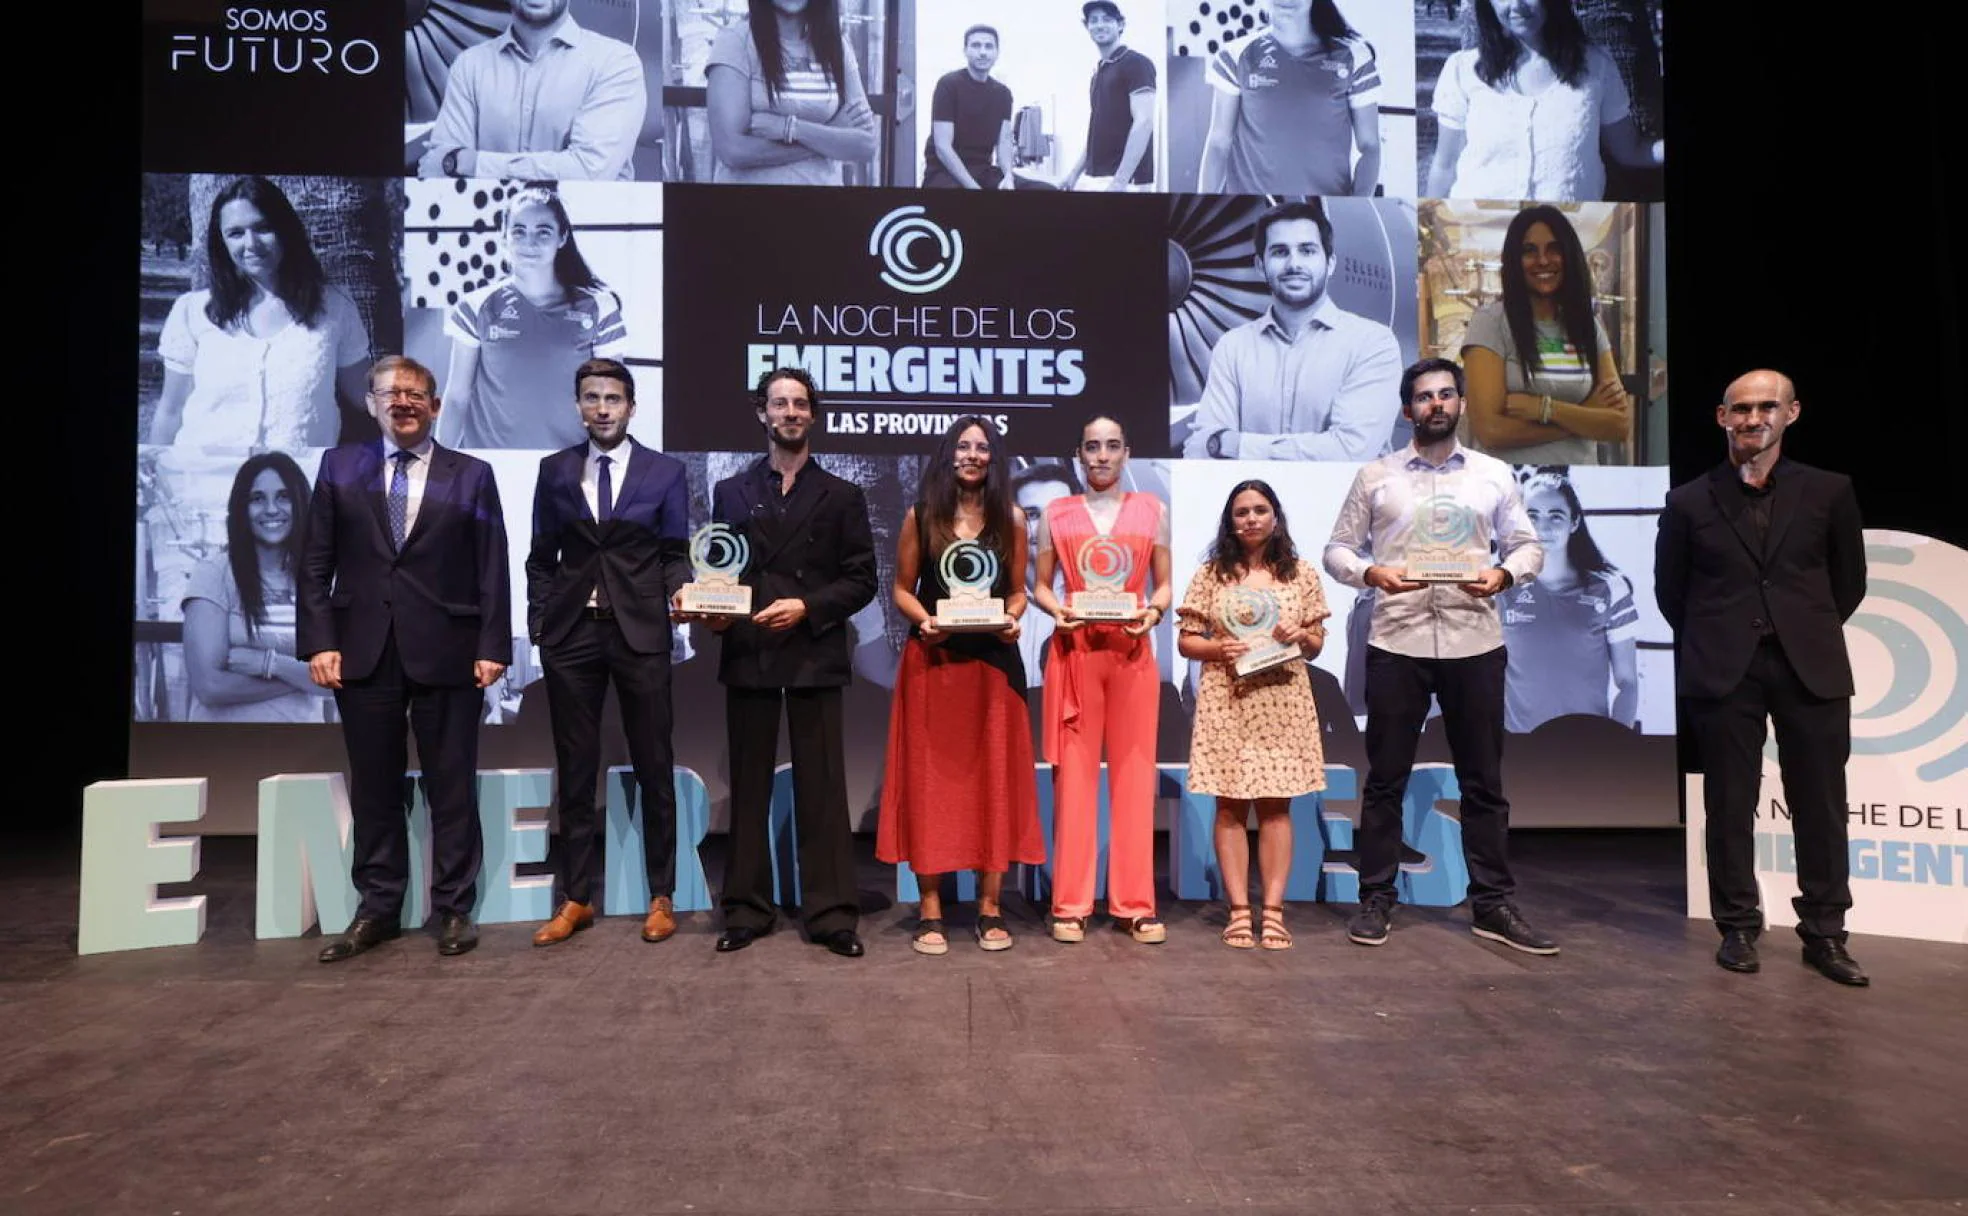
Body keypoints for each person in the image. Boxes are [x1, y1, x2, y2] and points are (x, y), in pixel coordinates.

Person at [1323, 357, 1556, 955]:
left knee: (1484, 781)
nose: (1435, 404)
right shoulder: (1376, 476)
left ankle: (1492, 904)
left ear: (1459, 405)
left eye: (1445, 395)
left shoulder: (1492, 475)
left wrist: (1503, 575)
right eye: (1423, 397)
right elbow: (1338, 549)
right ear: (1407, 410)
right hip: (1396, 640)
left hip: (1474, 641)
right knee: (1385, 780)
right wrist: (1370, 572)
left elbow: (1528, 545)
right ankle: (1376, 897)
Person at [1654, 369, 1869, 986]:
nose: (1753, 418)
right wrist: (1720, 638)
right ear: (1722, 418)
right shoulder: (1689, 500)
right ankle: (1738, 927)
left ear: (1792, 413)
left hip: (1811, 665)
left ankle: (1826, 933)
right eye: (1741, 408)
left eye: (1767, 406)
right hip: (1724, 670)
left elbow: (1846, 582)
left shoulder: (1830, 491)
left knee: (1822, 805)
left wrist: (1800, 629)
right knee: (1728, 803)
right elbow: (1673, 594)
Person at [299, 355, 512, 962]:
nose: (403, 401)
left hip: (449, 651)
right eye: (390, 392)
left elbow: (490, 565)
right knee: (374, 788)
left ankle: (452, 909)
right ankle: (378, 909)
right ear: (371, 404)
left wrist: (493, 646)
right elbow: (315, 563)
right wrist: (320, 640)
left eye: (416, 392)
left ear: (436, 405)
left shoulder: (471, 474)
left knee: (451, 786)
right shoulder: (339, 468)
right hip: (363, 652)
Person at [695, 367, 876, 958]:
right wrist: (714, 610)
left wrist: (807, 605)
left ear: (813, 416)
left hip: (814, 650)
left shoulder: (843, 495)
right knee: (747, 787)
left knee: (822, 787)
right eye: (780, 404)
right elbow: (720, 571)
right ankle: (746, 910)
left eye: (800, 404)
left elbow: (862, 580)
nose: (791, 412)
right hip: (749, 649)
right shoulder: (731, 492)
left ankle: (831, 915)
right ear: (762, 414)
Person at [525, 359, 692, 948]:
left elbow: (675, 551)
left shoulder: (665, 472)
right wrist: (541, 625)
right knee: (575, 770)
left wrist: (681, 589)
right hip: (572, 636)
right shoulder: (554, 471)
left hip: (641, 632)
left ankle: (661, 895)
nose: (602, 408)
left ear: (631, 406)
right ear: (578, 406)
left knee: (654, 765)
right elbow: (542, 557)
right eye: (592, 397)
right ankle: (576, 899)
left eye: (613, 398)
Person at [876, 417, 1046, 955]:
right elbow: (901, 589)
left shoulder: (1011, 518)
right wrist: (923, 618)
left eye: (982, 448)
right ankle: (930, 910)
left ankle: (990, 908)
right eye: (963, 447)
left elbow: (1017, 592)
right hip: (935, 662)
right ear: (948, 456)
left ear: (994, 459)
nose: (972, 455)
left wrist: (1012, 617)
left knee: (991, 782)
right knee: (931, 785)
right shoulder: (920, 516)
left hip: (993, 665)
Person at [1030, 415, 1172, 944]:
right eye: (1093, 446)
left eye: (1112, 446)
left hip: (1133, 652)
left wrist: (1154, 614)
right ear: (1079, 454)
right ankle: (1070, 903)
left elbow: (1163, 586)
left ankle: (1135, 903)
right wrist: (1056, 612)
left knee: (1136, 778)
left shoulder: (1153, 511)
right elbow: (1044, 586)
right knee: (1075, 782)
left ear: (1127, 453)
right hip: (1077, 652)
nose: (1102, 456)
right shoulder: (1057, 513)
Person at [1177, 480, 1330, 950]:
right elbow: (1187, 639)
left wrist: (1299, 636)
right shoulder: (1211, 574)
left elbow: (1317, 644)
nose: (1251, 519)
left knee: (1277, 805)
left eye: (1260, 510)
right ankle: (1239, 910)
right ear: (1230, 520)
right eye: (1241, 512)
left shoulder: (1300, 573)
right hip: (1229, 698)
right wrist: (1218, 648)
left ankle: (1275, 912)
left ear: (1276, 517)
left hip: (1281, 699)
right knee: (1229, 806)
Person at [151, 176, 370, 450]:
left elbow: (366, 396)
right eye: (236, 233)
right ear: (222, 243)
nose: (251, 244)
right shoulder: (192, 312)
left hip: (300, 484)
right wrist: (153, 475)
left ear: (285, 230)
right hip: (204, 483)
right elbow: (170, 411)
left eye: (263, 228)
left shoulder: (335, 307)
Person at [1184, 200, 1404, 462]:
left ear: (1330, 263)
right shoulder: (1232, 347)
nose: (1293, 264)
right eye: (1279, 252)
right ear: (1259, 265)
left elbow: (1350, 450)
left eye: (1307, 251)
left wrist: (1234, 444)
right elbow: (1200, 451)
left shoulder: (1373, 343)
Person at [439, 185, 629, 451]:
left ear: (562, 238)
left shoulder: (599, 307)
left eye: (544, 232)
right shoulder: (474, 307)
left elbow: (611, 399)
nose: (530, 243)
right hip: (492, 467)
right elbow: (457, 397)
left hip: (569, 468)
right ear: (504, 238)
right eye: (519, 231)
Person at [1424, 0, 1663, 201]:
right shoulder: (1462, 70)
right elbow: (1445, 167)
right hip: (1476, 236)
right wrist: (1428, 235)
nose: (1517, 5)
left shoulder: (1597, 66)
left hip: (1570, 236)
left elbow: (1630, 151)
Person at [1461, 205, 1631, 465]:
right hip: (1509, 489)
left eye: (1554, 248)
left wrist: (1545, 409)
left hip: (1581, 487)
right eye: (1529, 251)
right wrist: (1585, 417)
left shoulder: (1588, 325)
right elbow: (1491, 432)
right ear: (1514, 260)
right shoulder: (1490, 323)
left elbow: (1618, 425)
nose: (1542, 260)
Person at [417, 0, 647, 183]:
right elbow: (438, 172)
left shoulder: (616, 62)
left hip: (589, 233)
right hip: (487, 230)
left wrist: (472, 163)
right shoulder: (469, 65)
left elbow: (589, 173)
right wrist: (457, 162)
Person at [181, 452, 332, 723]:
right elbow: (210, 687)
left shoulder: (319, 577)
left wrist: (271, 664)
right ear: (241, 508)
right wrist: (307, 678)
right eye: (257, 499)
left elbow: (341, 677)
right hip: (223, 748)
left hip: (303, 750)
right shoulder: (215, 573)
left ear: (300, 503)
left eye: (284, 497)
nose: (272, 509)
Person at [1499, 466, 1638, 731]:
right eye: (1533, 516)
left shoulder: (1610, 589)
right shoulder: (1501, 587)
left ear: (1574, 522)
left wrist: (1618, 746)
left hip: (1586, 752)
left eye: (1556, 516)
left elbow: (1628, 683)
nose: (1543, 527)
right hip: (1519, 753)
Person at [1198, 0, 1382, 197]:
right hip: (1251, 214)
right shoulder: (1234, 56)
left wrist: (1356, 207)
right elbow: (1218, 144)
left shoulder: (1355, 57)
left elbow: (1370, 146)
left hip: (1324, 212)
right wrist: (1201, 212)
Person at [705, 0, 879, 187]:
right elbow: (732, 150)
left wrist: (790, 128)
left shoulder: (837, 46)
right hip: (749, 207)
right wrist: (832, 133)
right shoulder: (736, 40)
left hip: (824, 207)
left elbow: (865, 145)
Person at [1061, 1, 1156, 192]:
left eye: (1106, 19)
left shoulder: (1136, 63)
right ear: (1087, 26)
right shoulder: (1099, 72)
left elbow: (1144, 123)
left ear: (1120, 25)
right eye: (1093, 20)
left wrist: (1120, 181)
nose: (1099, 25)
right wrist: (1073, 174)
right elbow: (1097, 133)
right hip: (1098, 178)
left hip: (1128, 181)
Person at [922, 25, 1016, 190]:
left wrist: (1008, 176)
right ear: (965, 50)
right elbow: (943, 147)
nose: (982, 52)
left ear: (997, 53)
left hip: (984, 171)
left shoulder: (1003, 93)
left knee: (1044, 189)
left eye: (989, 46)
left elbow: (1004, 143)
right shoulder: (948, 85)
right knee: (961, 201)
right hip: (944, 173)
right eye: (976, 45)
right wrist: (973, 188)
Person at [1011, 462, 1081, 684]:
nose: (1046, 527)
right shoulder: (985, 599)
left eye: (1059, 513)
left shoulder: (1111, 596)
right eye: (1032, 514)